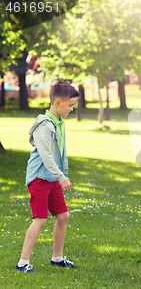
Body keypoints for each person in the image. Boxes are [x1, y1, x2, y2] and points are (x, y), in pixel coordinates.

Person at [16, 81, 80, 273]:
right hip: (39, 178)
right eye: (70, 105)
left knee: (63, 216)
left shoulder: (59, 122)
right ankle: (22, 263)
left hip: (51, 178)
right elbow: (46, 155)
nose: (71, 109)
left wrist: (62, 175)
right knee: (40, 219)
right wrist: (62, 177)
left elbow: (61, 151)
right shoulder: (45, 125)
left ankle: (57, 258)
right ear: (58, 102)